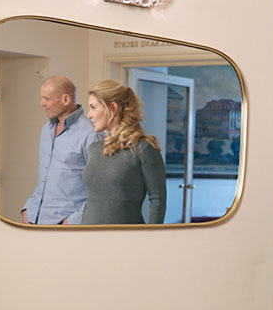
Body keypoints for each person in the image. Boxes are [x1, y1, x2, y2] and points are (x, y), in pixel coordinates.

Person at [82, 80, 166, 225]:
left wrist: (151, 235)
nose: (89, 114)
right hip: (88, 234)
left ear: (113, 108)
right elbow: (91, 202)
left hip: (127, 235)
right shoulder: (94, 149)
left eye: (93, 107)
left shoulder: (143, 149)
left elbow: (158, 199)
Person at [22, 76, 98, 224]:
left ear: (66, 100)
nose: (42, 103)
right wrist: (28, 209)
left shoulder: (91, 134)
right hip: (34, 221)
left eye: (46, 99)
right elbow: (45, 179)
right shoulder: (46, 129)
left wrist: (72, 222)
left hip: (65, 226)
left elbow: (99, 188)